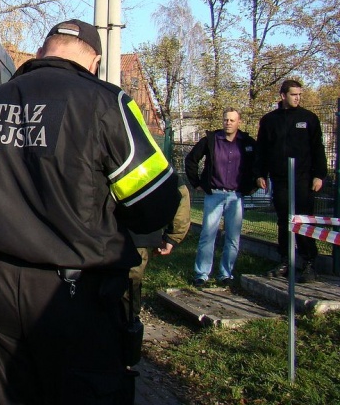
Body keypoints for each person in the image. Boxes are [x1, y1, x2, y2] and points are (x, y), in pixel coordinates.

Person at [0, 19, 181, 405]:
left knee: (2, 392)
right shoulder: (106, 103)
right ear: (95, 62)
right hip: (76, 297)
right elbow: (155, 202)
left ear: (41, 53)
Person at [255, 80, 327, 283]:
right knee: (284, 220)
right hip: (280, 179)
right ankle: (286, 260)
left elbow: (318, 148)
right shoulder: (269, 120)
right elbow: (262, 150)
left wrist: (319, 175)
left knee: (304, 220)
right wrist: (260, 174)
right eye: (294, 94)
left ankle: (309, 263)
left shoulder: (309, 118)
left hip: (304, 179)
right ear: (283, 96)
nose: (297, 98)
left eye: (299, 95)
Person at [185, 108, 257, 287]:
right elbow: (191, 159)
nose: (228, 123)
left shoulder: (247, 143)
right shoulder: (211, 140)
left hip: (236, 196)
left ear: (238, 122)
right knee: (207, 235)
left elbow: (259, 164)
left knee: (233, 238)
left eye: (232, 120)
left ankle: (226, 274)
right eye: (226, 120)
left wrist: (252, 186)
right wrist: (196, 183)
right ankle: (201, 274)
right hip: (214, 195)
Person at [125, 177, 191, 318]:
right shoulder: (155, 163)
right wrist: (173, 236)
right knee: (129, 285)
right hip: (139, 235)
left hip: (98, 235)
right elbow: (180, 191)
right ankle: (129, 322)